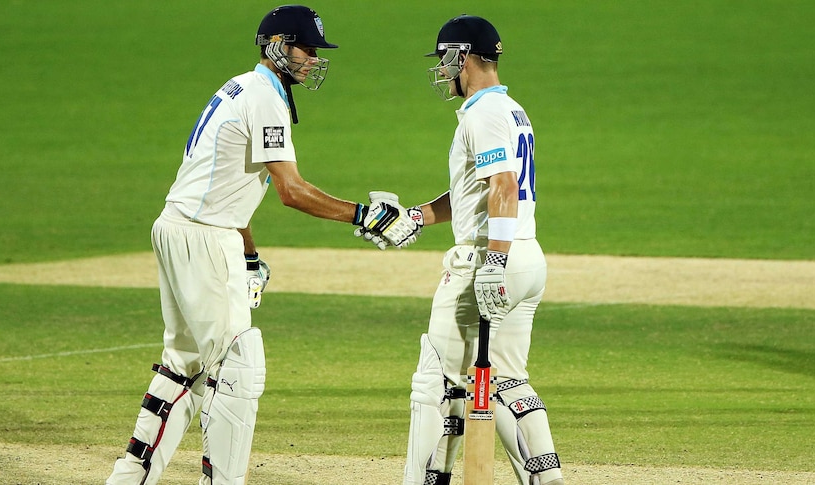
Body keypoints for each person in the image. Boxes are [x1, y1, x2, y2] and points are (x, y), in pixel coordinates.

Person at [106, 5, 418, 485]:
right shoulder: (265, 98)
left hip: (180, 226)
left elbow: (231, 183)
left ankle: (129, 476)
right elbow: (291, 191)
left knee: (185, 365)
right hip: (205, 238)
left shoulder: (241, 87)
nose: (313, 59)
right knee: (237, 362)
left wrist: (248, 253)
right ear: (276, 45)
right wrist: (364, 215)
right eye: (306, 48)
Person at [399, 14, 564, 485]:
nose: (443, 70)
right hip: (526, 255)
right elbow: (477, 191)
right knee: (507, 383)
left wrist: (492, 261)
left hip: (487, 258)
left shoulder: (483, 113)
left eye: (445, 59)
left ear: (462, 57)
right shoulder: (510, 108)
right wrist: (419, 217)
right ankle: (546, 480)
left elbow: (504, 186)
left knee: (436, 382)